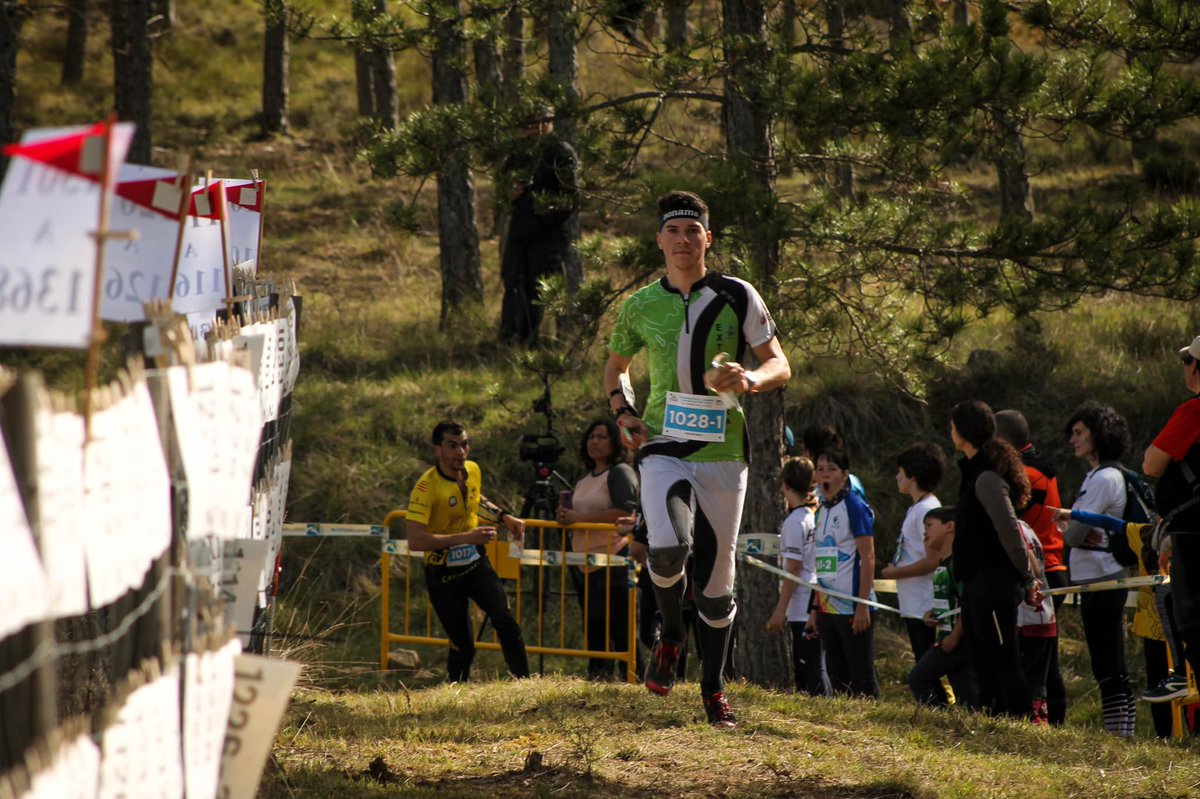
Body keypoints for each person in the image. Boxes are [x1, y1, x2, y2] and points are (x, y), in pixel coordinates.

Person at [604, 189, 791, 728]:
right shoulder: (640, 304)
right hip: (663, 443)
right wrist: (625, 412)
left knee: (716, 586)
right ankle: (672, 636)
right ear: (660, 241)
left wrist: (751, 379)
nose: (683, 240)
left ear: (707, 239)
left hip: (724, 452)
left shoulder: (738, 295)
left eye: (693, 231)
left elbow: (779, 363)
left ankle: (712, 690)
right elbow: (616, 367)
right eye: (673, 231)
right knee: (666, 549)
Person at [405, 420, 530, 682]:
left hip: (475, 563)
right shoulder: (426, 488)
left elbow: (477, 500)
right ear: (437, 450)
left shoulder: (472, 470)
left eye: (465, 445)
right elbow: (416, 540)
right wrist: (466, 537)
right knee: (463, 643)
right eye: (452, 446)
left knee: (505, 619)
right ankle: (455, 690)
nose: (460, 452)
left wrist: (504, 516)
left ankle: (525, 682)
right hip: (443, 573)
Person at [1050, 505, 1176, 737]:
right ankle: (1165, 737)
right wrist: (1073, 514)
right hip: (1154, 627)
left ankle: (1176, 735)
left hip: (1173, 627)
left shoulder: (1152, 536)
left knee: (1172, 684)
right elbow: (1107, 521)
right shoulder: (1143, 534)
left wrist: (1071, 514)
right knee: (1160, 687)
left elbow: (1107, 521)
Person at [950, 400, 1041, 720]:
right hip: (976, 581)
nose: (951, 432)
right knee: (982, 656)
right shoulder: (973, 470)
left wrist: (1028, 578)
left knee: (1004, 658)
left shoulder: (987, 477)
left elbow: (1009, 532)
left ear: (962, 431)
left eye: (953, 426)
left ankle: (1019, 721)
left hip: (995, 581)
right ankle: (992, 717)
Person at [1061, 401, 1136, 737]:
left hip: (1103, 577)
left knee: (1108, 662)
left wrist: (1065, 526)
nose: (1073, 440)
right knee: (1108, 659)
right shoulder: (1104, 476)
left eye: (1079, 433)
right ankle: (1121, 730)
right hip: (1101, 575)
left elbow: (1075, 533)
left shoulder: (1103, 478)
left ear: (1098, 435)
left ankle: (1119, 733)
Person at [995, 409, 1068, 726]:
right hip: (1047, 566)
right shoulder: (1040, 467)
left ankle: (1043, 719)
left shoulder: (1025, 474)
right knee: (1045, 658)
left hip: (1040, 570)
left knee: (1037, 658)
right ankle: (1051, 720)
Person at [557, 419, 640, 680]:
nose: (595, 442)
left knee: (618, 624)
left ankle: (633, 676)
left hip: (614, 558)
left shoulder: (620, 473)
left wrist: (580, 518)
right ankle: (598, 677)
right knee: (594, 624)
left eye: (602, 437)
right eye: (591, 436)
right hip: (586, 563)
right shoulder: (584, 479)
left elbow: (626, 511)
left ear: (615, 441)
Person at [1142, 335, 1200, 704]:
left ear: (1196, 367)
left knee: (1191, 619)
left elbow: (1151, 463)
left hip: (1194, 534)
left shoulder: (1194, 411)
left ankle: (1180, 673)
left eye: (1187, 361)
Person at [498, 111, 579, 345]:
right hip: (519, 230)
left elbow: (571, 199)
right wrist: (509, 194)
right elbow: (502, 190)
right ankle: (508, 337)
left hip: (548, 234)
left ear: (548, 124)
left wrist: (545, 220)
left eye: (533, 124)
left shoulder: (560, 153)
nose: (527, 129)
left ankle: (530, 341)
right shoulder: (517, 154)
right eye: (524, 124)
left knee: (538, 288)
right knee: (512, 281)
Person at [810, 448, 879, 698]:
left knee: (862, 678)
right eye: (820, 469)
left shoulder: (854, 506)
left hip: (854, 608)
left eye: (832, 469)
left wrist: (862, 605)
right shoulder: (820, 511)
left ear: (844, 475)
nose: (825, 475)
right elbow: (820, 564)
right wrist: (815, 609)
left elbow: (868, 557)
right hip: (828, 608)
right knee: (837, 676)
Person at [766, 456, 831, 696]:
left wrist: (780, 610)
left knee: (812, 670)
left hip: (802, 605)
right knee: (815, 667)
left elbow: (793, 568)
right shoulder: (813, 516)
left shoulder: (795, 522)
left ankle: (826, 716)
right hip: (814, 601)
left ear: (785, 484)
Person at [908, 506, 979, 709]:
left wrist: (955, 636)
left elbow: (969, 601)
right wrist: (933, 614)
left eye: (929, 525)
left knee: (918, 678)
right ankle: (958, 727)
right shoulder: (943, 564)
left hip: (959, 640)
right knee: (967, 695)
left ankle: (938, 720)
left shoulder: (959, 562)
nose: (925, 532)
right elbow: (951, 602)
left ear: (950, 527)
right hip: (947, 637)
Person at [881, 443, 945, 668]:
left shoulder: (927, 510)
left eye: (900, 471)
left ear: (913, 475)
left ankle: (939, 705)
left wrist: (895, 572)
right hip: (913, 603)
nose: (896, 476)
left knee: (929, 669)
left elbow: (933, 560)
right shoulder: (916, 508)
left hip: (924, 604)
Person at [1016, 518, 1057, 725]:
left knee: (1028, 683)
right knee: (1037, 685)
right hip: (1041, 615)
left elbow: (1033, 566)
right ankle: (1038, 725)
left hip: (1027, 616)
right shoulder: (1025, 525)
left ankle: (1030, 728)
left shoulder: (1012, 528)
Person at [801, 424, 867, 500]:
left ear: (811, 453)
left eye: (804, 450)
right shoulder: (853, 481)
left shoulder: (821, 490)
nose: (803, 455)